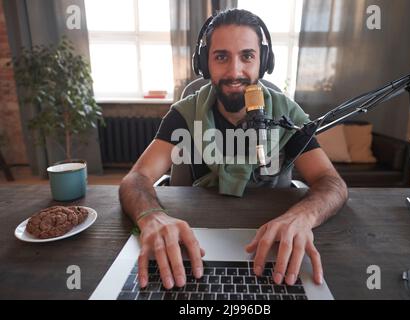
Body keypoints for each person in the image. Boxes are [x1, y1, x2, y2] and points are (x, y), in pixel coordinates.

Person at [119, 8, 348, 291]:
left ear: (263, 61)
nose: (235, 71)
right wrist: (150, 216)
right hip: (194, 250)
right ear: (205, 63)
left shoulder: (289, 114)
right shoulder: (184, 114)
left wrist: (303, 216)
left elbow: (331, 182)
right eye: (221, 57)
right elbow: (136, 178)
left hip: (276, 250)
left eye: (247, 56)